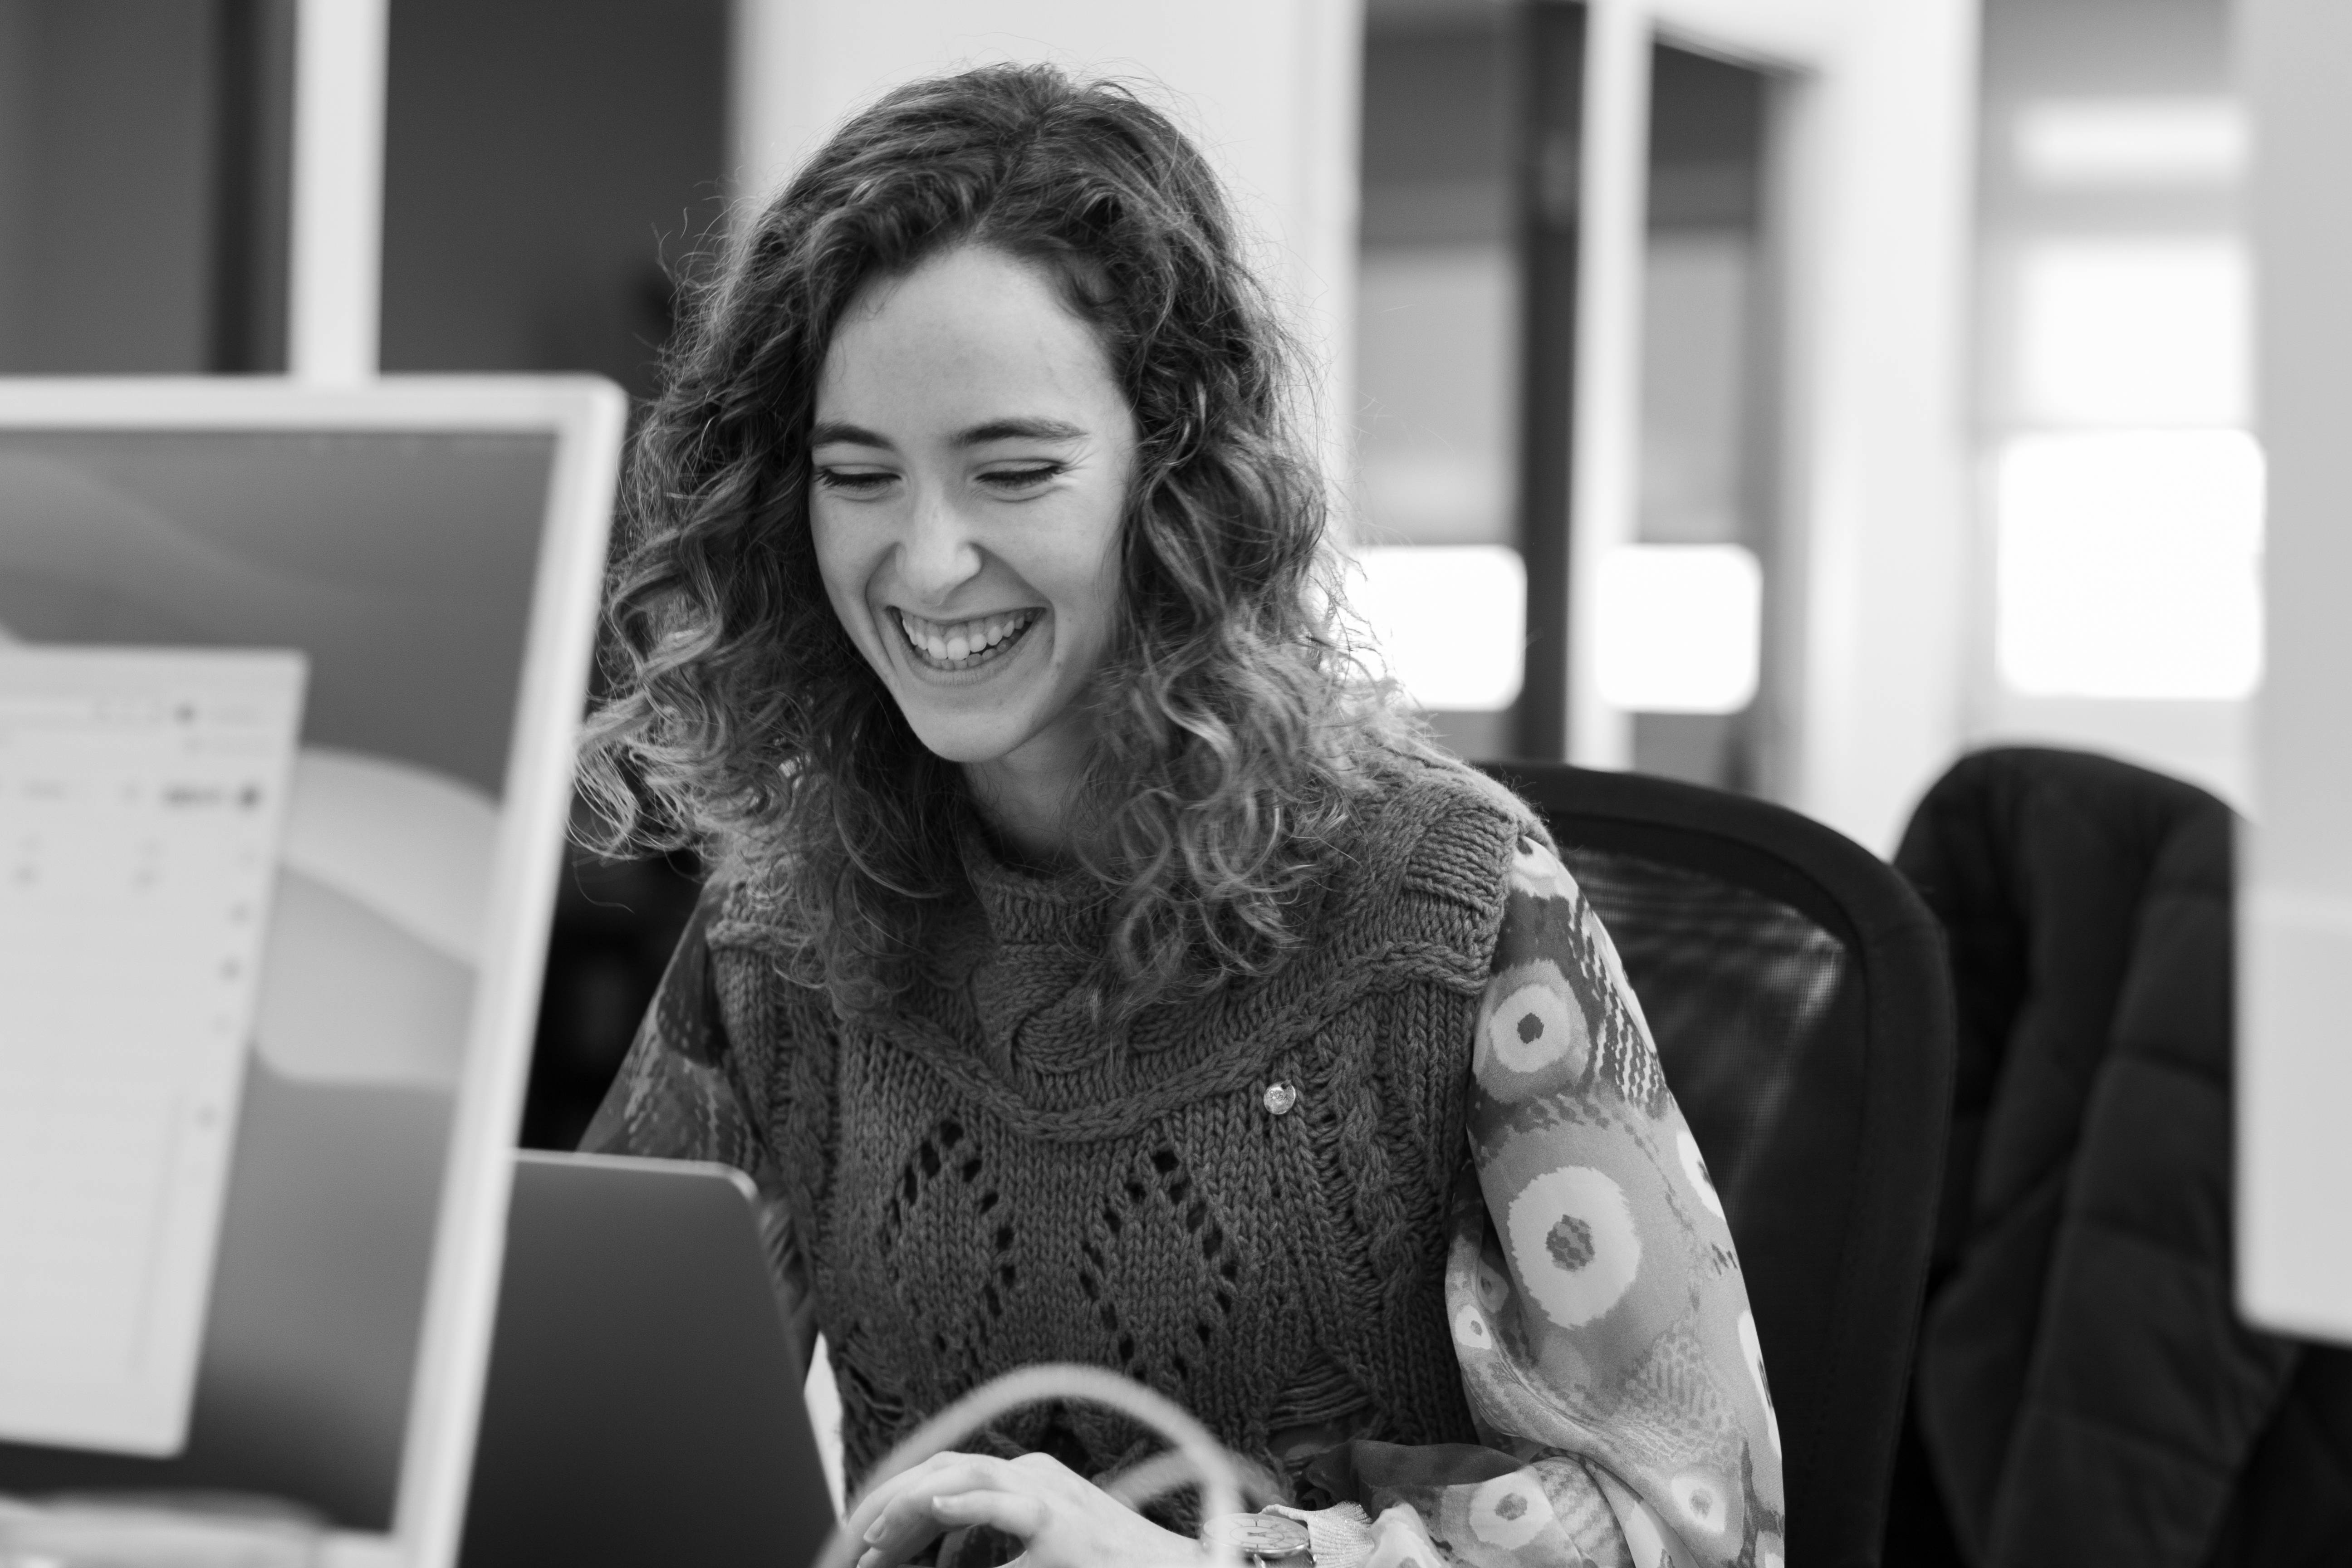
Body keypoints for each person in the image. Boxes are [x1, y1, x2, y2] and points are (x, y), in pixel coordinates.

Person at [578, 63, 1782, 1568]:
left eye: (1012, 471)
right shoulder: (783, 917)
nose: (926, 560)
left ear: (1176, 478)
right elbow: (584, 1427)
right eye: (856, 475)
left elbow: (1695, 1522)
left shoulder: (1451, 901)